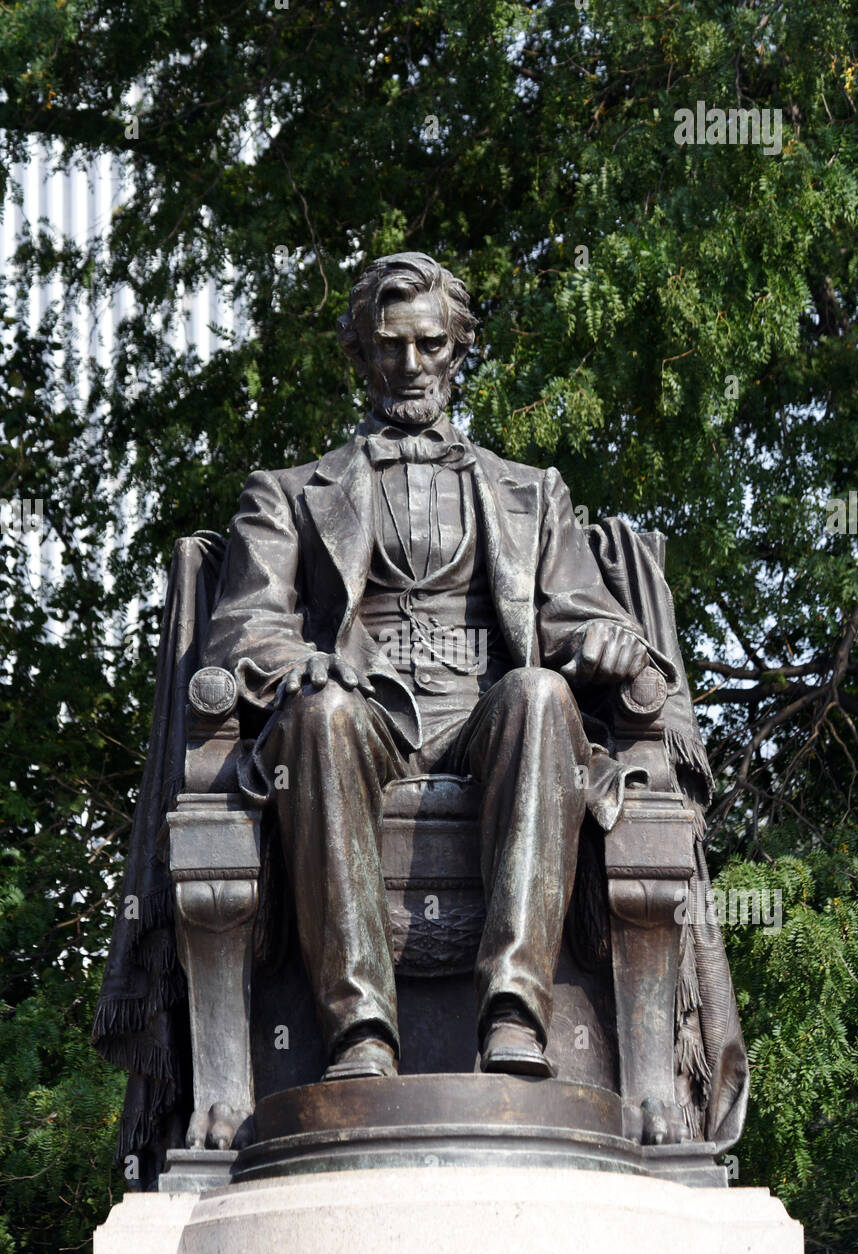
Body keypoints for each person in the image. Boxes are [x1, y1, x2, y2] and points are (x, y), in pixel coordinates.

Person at [202, 252, 650, 1082]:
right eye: (389, 347)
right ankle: (358, 1033)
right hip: (364, 712)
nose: (411, 366)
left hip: (487, 719)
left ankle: (516, 1012)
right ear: (362, 355)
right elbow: (241, 628)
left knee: (542, 692)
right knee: (321, 714)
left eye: (431, 345)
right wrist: (302, 663)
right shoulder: (290, 493)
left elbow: (582, 610)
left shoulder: (532, 491)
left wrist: (610, 642)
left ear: (457, 349)